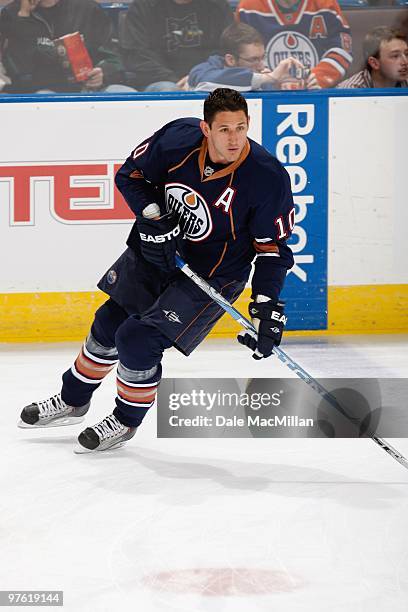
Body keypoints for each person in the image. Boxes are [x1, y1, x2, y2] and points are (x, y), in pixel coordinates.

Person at [19, 88, 295, 453]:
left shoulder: (266, 176)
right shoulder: (177, 139)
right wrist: (154, 218)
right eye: (225, 129)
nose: (234, 138)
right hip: (157, 253)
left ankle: (125, 421)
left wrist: (266, 305)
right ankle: (73, 400)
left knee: (137, 339)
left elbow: (271, 249)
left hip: (213, 274)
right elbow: (130, 176)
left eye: (241, 128)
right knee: (108, 323)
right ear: (205, 128)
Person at [0, 0, 133, 94]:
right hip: (43, 91)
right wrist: (24, 18)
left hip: (92, 88)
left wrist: (103, 74)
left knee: (125, 93)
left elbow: (116, 56)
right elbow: (19, 69)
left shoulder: (88, 8)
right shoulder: (13, 14)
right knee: (43, 99)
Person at [119, 0, 234, 92]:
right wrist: (175, 80)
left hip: (208, 79)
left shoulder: (217, 6)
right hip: (159, 81)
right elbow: (137, 56)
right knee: (170, 90)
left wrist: (199, 76)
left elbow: (227, 51)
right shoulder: (143, 6)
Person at [237, 0, 353, 88]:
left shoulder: (327, 5)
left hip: (316, 92)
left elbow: (342, 50)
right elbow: (239, 54)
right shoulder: (248, 8)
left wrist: (319, 77)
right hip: (265, 94)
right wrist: (266, 79)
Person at [188, 21, 319, 91]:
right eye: (254, 60)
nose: (261, 65)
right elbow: (205, 82)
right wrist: (269, 77)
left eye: (263, 57)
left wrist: (304, 91)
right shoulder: (201, 71)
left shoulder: (263, 79)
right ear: (230, 59)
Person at [337, 27, 408, 89]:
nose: (405, 62)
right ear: (374, 63)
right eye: (395, 56)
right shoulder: (350, 90)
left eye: (407, 54)